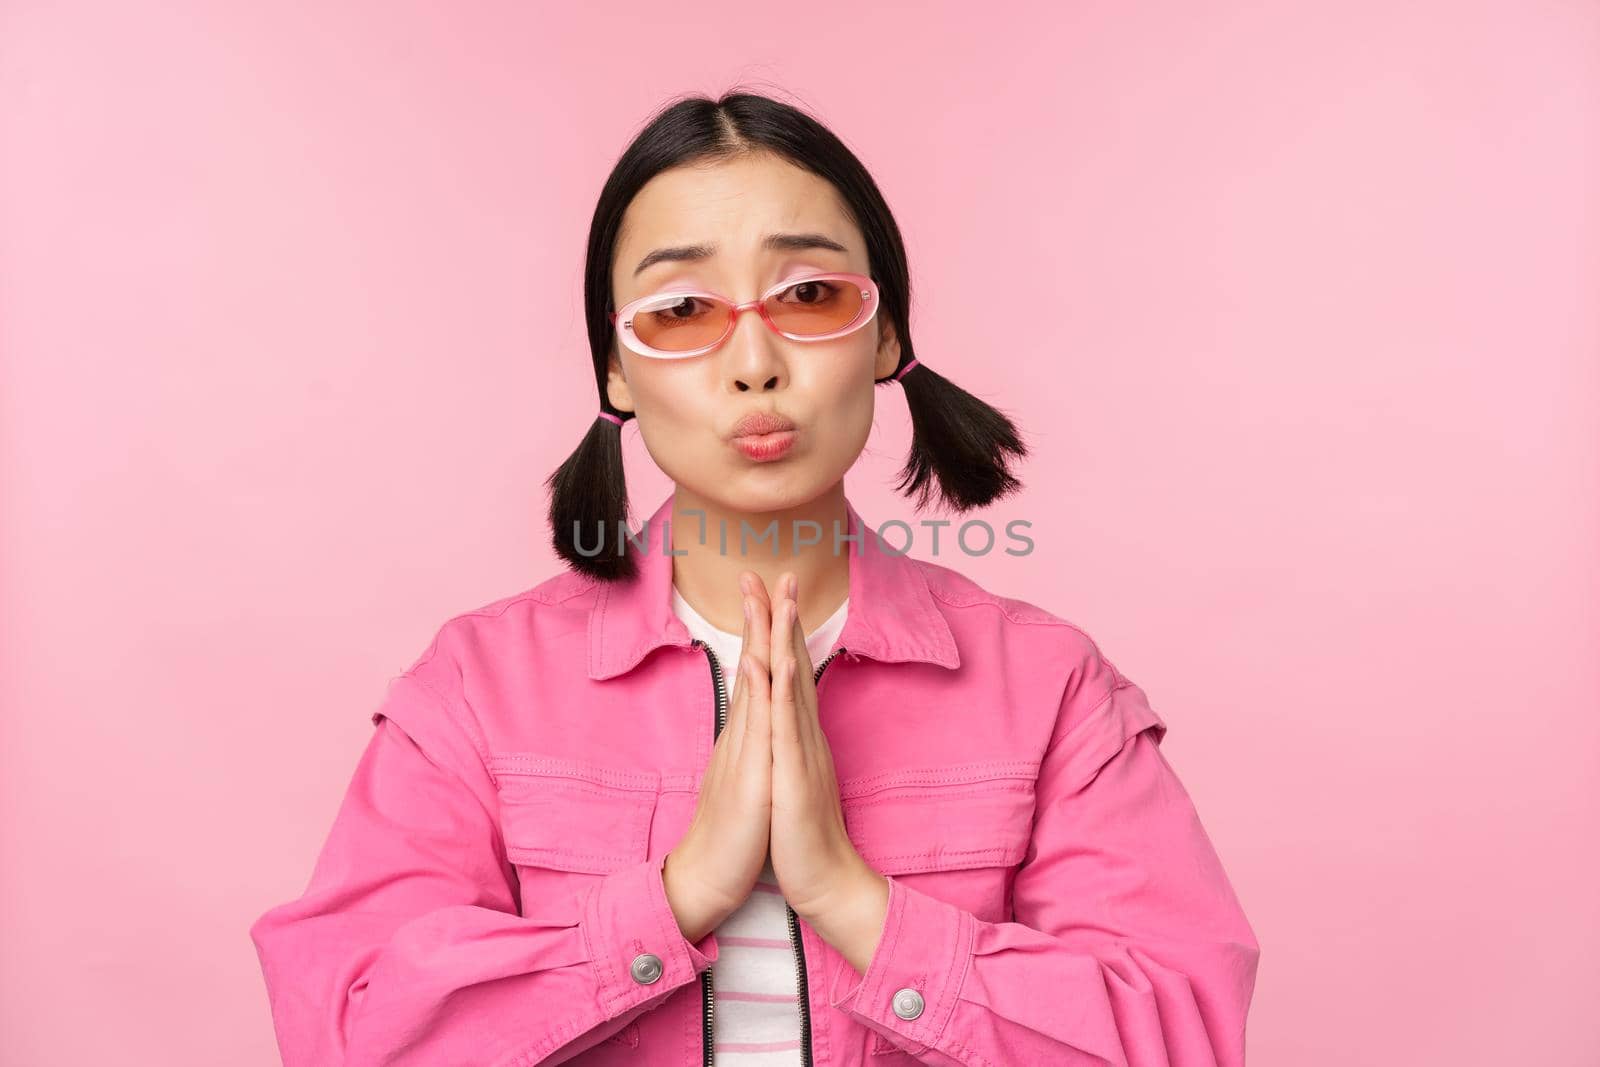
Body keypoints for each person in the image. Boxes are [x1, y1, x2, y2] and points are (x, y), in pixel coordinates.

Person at [249, 90, 1261, 1067]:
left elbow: (1179, 1034)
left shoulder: (1047, 684)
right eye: (682, 309)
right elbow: (348, 1028)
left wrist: (851, 897)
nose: (753, 361)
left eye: (809, 295)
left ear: (887, 335)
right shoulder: (478, 683)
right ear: (614, 367)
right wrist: (679, 894)